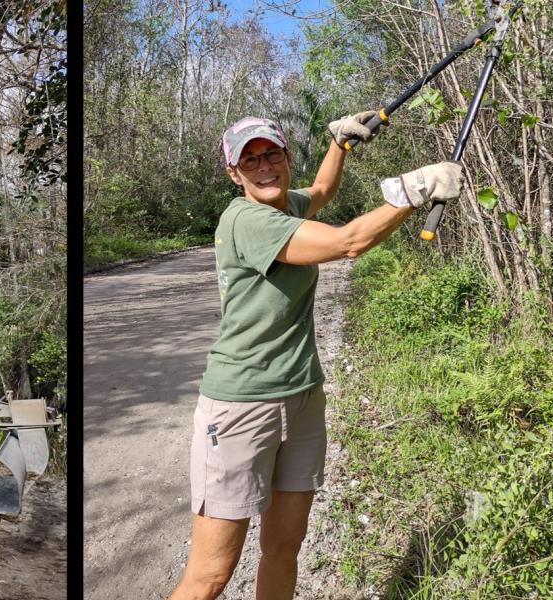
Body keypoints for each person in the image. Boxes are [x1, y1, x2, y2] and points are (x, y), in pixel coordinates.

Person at [169, 114, 463, 600]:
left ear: (286, 158)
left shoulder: (287, 205)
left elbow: (322, 189)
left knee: (284, 548)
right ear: (233, 172)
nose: (263, 167)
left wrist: (339, 143)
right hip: (241, 408)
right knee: (211, 575)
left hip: (302, 400)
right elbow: (348, 242)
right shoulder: (248, 220)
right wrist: (413, 192)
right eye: (250, 160)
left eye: (272, 155)